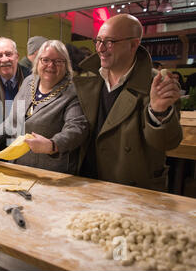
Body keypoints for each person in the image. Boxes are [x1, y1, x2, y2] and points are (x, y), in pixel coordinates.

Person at [74, 14, 182, 192]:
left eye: (109, 42)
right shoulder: (88, 78)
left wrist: (158, 111)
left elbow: (166, 143)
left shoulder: (158, 83)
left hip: (132, 189)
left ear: (133, 44)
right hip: (87, 183)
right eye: (98, 40)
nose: (100, 49)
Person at [0, 40, 89, 174]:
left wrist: (52, 145)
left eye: (58, 61)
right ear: (38, 61)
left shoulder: (73, 91)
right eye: (45, 60)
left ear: (66, 65)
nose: (51, 65)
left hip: (50, 173)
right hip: (18, 165)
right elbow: (14, 120)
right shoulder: (29, 81)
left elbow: (76, 129)